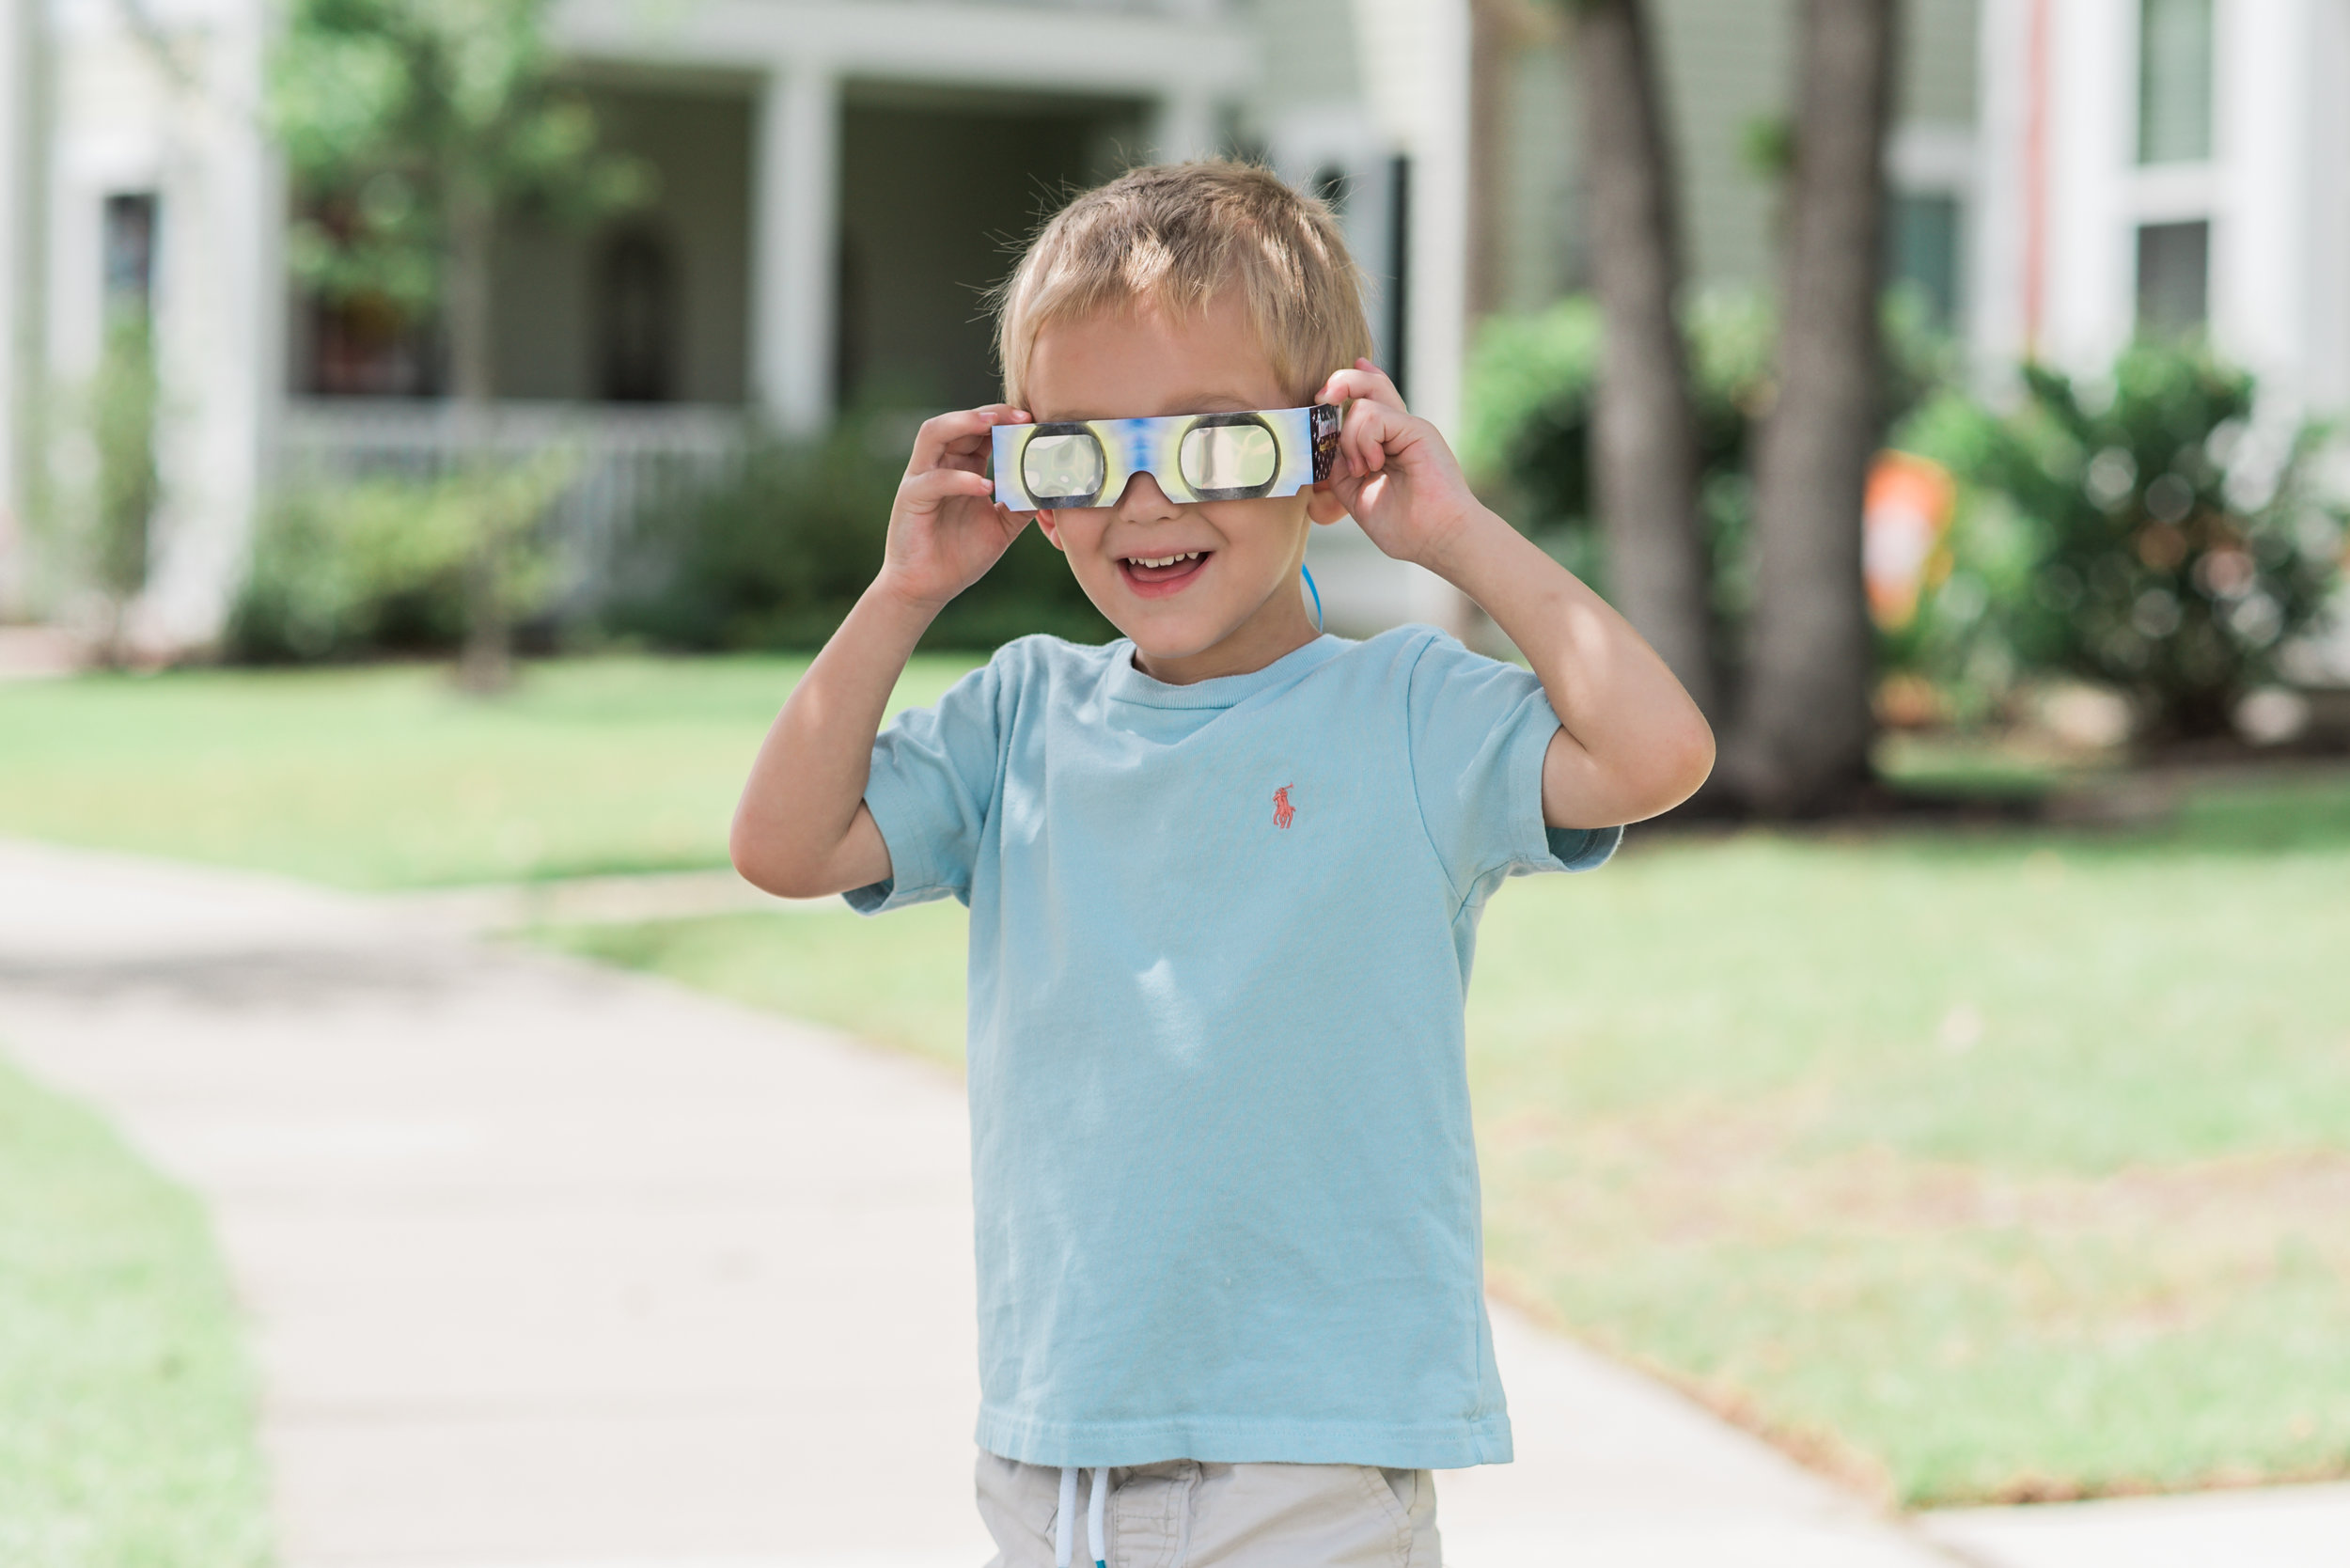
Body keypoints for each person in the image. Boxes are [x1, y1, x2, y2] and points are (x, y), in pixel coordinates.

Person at [730, 161, 1715, 1568]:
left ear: (1322, 459)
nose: (1144, 498)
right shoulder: (1020, 718)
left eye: (1214, 443)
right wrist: (903, 594)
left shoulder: (1410, 716)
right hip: (1056, 1447)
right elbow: (783, 845)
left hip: (1309, 1455)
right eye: (1081, 449)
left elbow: (1656, 750)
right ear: (1026, 476)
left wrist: (1452, 532)